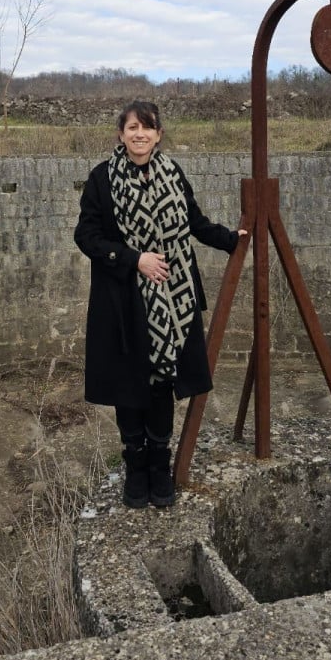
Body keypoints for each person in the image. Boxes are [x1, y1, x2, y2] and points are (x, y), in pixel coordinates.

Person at [74, 100, 245, 509]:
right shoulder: (103, 179)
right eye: (132, 127)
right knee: (129, 384)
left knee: (161, 381)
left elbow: (195, 223)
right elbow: (86, 236)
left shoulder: (172, 173)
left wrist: (232, 238)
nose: (139, 134)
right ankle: (135, 467)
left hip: (171, 297)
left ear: (158, 134)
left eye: (147, 128)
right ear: (120, 134)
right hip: (123, 301)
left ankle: (158, 465)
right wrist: (136, 259)